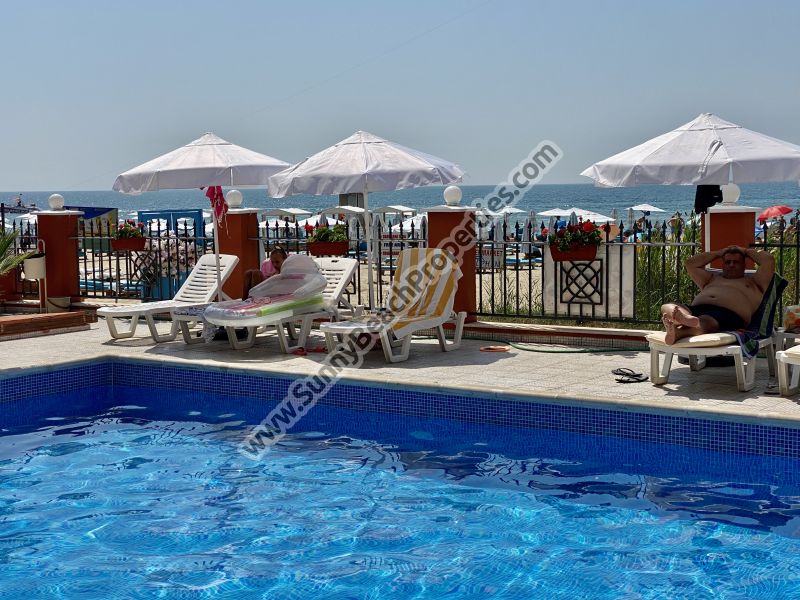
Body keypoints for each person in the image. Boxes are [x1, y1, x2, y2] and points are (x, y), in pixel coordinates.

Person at [660, 245, 775, 344]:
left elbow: (768, 260)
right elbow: (690, 263)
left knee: (706, 321)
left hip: (728, 314)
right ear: (723, 265)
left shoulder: (755, 282)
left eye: (736, 262)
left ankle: (678, 332)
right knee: (668, 306)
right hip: (696, 310)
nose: (731, 265)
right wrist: (719, 253)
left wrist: (745, 251)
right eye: (727, 262)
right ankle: (684, 318)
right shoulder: (712, 278)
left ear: (744, 264)